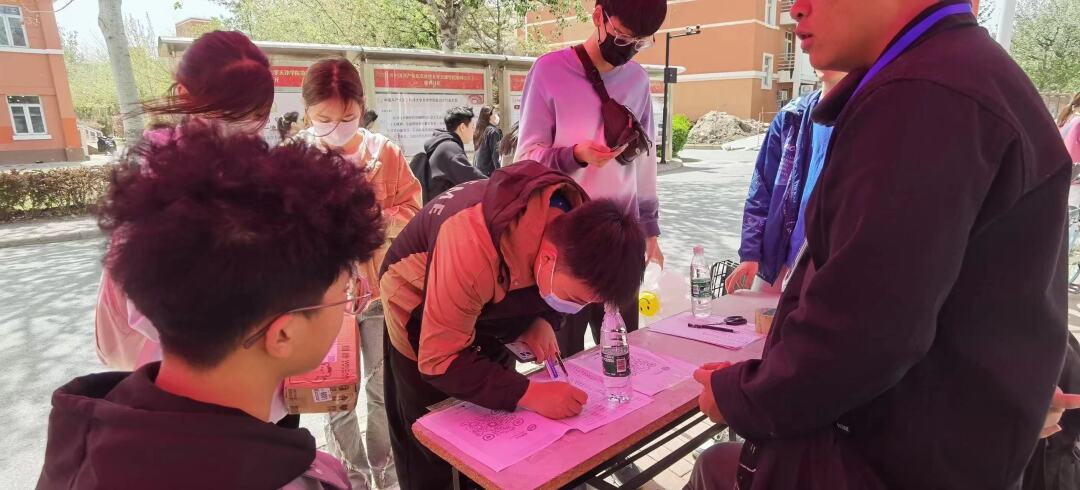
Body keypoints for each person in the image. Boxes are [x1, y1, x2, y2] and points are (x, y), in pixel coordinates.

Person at [688, 1, 1074, 488]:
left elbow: (863, 329)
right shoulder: (963, 72)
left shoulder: (924, 93)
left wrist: (741, 396)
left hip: (889, 460)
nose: (796, 8)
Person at [37, 121, 385, 489]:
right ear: (284, 334)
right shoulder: (293, 480)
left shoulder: (82, 439)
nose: (349, 305)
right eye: (345, 294)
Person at [380, 161, 647, 490]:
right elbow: (439, 360)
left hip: (485, 298)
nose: (577, 309)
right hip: (419, 307)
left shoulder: (577, 227)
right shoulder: (471, 242)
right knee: (431, 429)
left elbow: (546, 292)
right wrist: (529, 393)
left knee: (492, 418)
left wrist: (542, 319)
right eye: (576, 299)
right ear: (547, 259)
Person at [94, 30, 275, 373]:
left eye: (255, 114)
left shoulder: (256, 166)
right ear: (183, 95)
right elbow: (144, 299)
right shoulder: (156, 175)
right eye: (227, 112)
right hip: (178, 360)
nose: (242, 125)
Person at [293, 57, 421, 490]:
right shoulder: (296, 158)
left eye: (347, 117)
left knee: (382, 389)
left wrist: (374, 217)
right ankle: (350, 477)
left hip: (379, 292)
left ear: (362, 107)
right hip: (325, 299)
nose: (337, 128)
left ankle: (385, 470)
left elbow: (414, 210)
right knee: (335, 394)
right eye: (324, 119)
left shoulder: (385, 153)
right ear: (307, 112)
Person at [515, 0, 667, 357]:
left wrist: (650, 230)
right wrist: (575, 155)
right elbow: (526, 159)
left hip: (621, 239)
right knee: (565, 355)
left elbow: (644, 162)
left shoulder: (637, 80)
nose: (629, 49)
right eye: (623, 37)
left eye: (641, 42)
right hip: (565, 240)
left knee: (622, 352)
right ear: (598, 16)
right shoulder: (550, 71)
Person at [725, 70, 847, 294]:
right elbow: (762, 188)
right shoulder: (792, 116)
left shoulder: (867, 119)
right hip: (780, 262)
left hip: (832, 269)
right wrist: (751, 253)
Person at [411, 106, 487, 204]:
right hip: (441, 208)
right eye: (472, 126)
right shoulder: (450, 149)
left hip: (434, 205)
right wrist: (496, 184)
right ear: (462, 127)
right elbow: (472, 178)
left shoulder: (442, 144)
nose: (474, 130)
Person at [473, 105, 504, 177]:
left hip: (479, 172)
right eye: (495, 113)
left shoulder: (480, 131)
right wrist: (500, 174)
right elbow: (496, 155)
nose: (497, 116)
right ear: (488, 116)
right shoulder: (493, 131)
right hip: (489, 173)